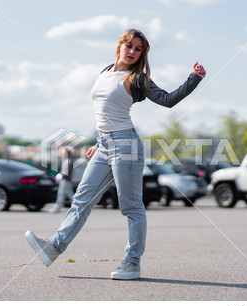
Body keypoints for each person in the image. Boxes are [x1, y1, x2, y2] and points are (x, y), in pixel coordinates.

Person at [25, 29, 206, 280]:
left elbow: (168, 100)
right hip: (104, 145)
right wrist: (99, 142)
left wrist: (193, 78)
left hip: (126, 145)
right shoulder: (106, 71)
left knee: (131, 206)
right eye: (129, 46)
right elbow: (104, 111)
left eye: (138, 49)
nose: (132, 52)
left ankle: (132, 262)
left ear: (142, 53)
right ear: (119, 46)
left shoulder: (137, 78)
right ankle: (54, 247)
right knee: (82, 199)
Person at [48, 147, 78, 213]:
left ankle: (56, 208)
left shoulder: (69, 161)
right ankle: (78, 206)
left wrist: (61, 176)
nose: (62, 154)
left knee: (61, 194)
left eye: (63, 153)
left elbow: (67, 172)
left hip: (65, 180)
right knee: (70, 194)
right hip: (65, 180)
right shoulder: (66, 160)